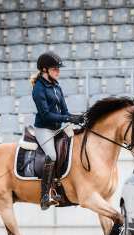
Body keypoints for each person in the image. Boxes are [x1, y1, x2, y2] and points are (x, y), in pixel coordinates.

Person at [30, 51, 83, 210]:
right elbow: (46, 115)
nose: (58, 72)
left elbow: (64, 111)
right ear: (44, 70)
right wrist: (67, 119)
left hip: (58, 127)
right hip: (44, 129)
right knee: (51, 155)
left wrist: (76, 118)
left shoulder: (56, 86)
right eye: (55, 69)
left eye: (58, 69)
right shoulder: (38, 89)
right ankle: (45, 195)